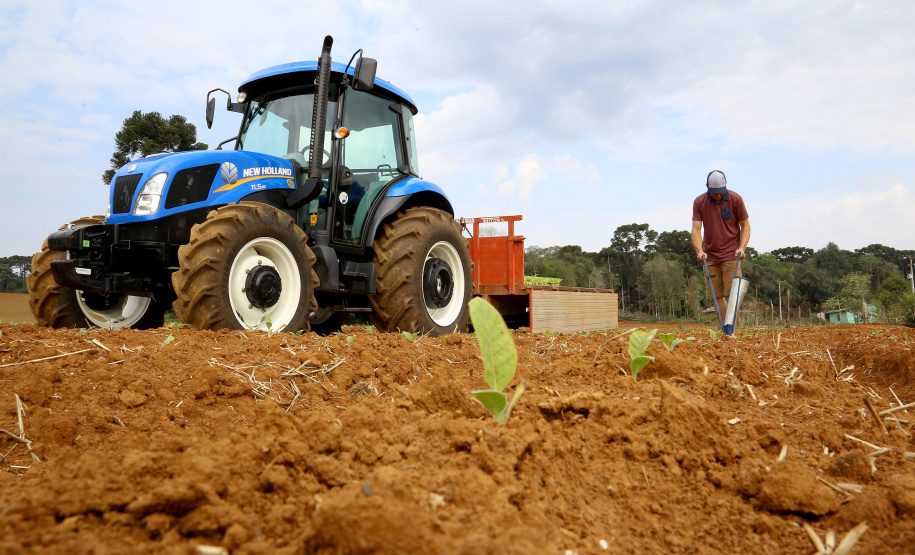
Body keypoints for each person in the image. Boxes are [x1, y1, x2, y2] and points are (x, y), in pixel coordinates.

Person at [691, 170, 750, 324]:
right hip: (709, 257)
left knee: (733, 295)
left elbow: (745, 226)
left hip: (732, 254)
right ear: (707, 188)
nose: (717, 196)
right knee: (716, 297)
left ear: (725, 186)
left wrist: (742, 248)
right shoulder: (699, 202)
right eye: (714, 193)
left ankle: (731, 332)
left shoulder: (736, 199)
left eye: (720, 193)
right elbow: (696, 229)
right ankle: (725, 329)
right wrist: (699, 251)